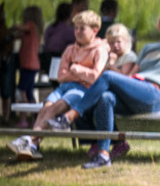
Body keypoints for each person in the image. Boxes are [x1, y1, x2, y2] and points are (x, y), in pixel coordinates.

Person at [45, 5, 160, 169]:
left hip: (155, 95)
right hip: (136, 89)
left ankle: (69, 117)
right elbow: (129, 76)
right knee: (106, 98)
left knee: (108, 77)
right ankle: (103, 154)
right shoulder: (148, 49)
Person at [8, 10, 109, 161]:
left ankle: (31, 140)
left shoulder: (100, 49)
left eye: (82, 28)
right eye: (76, 28)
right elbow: (61, 76)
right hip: (64, 87)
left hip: (82, 91)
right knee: (45, 109)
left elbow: (96, 77)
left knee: (55, 108)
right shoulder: (70, 49)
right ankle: (33, 145)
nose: (78, 32)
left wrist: (77, 69)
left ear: (94, 30)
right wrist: (82, 75)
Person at [11, 6, 45, 126]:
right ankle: (35, 119)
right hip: (33, 65)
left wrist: (13, 27)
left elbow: (19, 28)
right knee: (30, 93)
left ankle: (23, 119)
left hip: (28, 65)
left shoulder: (30, 26)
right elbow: (17, 35)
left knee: (22, 91)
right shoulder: (32, 31)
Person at [42, 2, 76, 71]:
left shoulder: (51, 27)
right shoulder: (69, 30)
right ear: (70, 14)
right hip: (61, 60)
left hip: (46, 60)